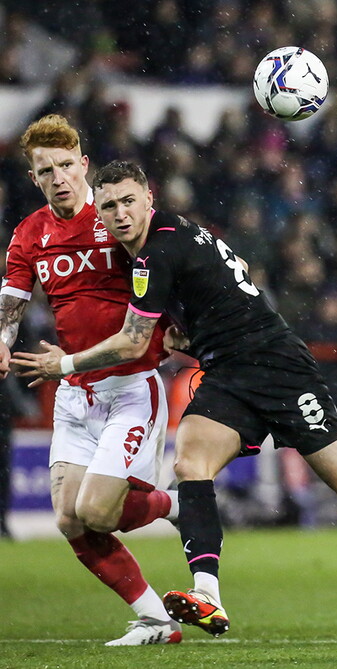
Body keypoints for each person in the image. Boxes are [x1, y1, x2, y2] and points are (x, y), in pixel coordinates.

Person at [13, 160, 337, 638]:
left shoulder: (155, 253)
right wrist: (190, 327)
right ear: (97, 213)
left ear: (149, 199)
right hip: (228, 374)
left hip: (279, 370)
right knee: (191, 464)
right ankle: (206, 591)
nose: (119, 214)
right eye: (108, 208)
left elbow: (130, 340)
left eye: (127, 202)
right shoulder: (172, 234)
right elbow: (238, 268)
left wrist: (64, 365)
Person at [0, 115, 182, 645]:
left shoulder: (116, 220)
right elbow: (12, 301)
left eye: (65, 166)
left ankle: (176, 504)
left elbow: (170, 273)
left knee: (99, 511)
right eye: (45, 170)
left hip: (129, 386)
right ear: (34, 178)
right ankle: (157, 620)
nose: (58, 178)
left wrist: (181, 329)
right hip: (74, 394)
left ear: (83, 165)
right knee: (70, 519)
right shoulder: (30, 233)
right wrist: (3, 343)